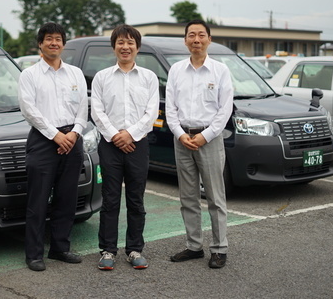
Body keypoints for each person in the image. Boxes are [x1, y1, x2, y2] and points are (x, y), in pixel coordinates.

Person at [18, 22, 88, 271]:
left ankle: (60, 248)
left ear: (64, 44)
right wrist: (56, 135)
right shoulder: (29, 75)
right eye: (49, 39)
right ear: (40, 43)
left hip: (73, 140)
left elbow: (83, 107)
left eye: (58, 39)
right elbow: (29, 110)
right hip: (43, 140)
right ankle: (34, 254)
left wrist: (75, 132)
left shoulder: (75, 73)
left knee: (66, 198)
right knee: (38, 201)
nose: (54, 43)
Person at [165, 19, 234, 269]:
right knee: (188, 197)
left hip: (210, 139)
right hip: (182, 138)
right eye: (191, 35)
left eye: (201, 35)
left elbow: (225, 109)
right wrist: (179, 133)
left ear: (209, 39)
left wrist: (205, 136)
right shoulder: (176, 71)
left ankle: (219, 248)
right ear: (185, 40)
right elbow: (170, 107)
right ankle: (194, 246)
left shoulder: (220, 71)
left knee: (216, 197)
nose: (196, 39)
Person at [91, 24, 159, 270]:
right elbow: (96, 111)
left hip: (138, 145)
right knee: (110, 200)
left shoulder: (149, 78)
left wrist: (130, 135)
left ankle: (134, 249)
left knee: (136, 199)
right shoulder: (102, 77)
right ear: (114, 47)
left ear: (137, 47)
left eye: (130, 42)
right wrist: (115, 135)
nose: (125, 47)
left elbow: (151, 112)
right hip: (109, 145)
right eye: (120, 42)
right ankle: (108, 250)